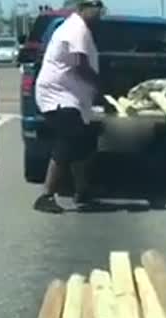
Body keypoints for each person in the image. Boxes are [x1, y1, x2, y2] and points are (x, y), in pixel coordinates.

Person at [33, 0, 104, 214]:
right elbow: (81, 65)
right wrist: (100, 84)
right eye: (95, 7)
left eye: (101, 7)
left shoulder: (77, 27)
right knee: (68, 143)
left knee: (82, 142)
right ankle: (46, 195)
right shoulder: (77, 29)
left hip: (71, 97)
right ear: (82, 8)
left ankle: (82, 190)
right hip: (59, 97)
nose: (99, 12)